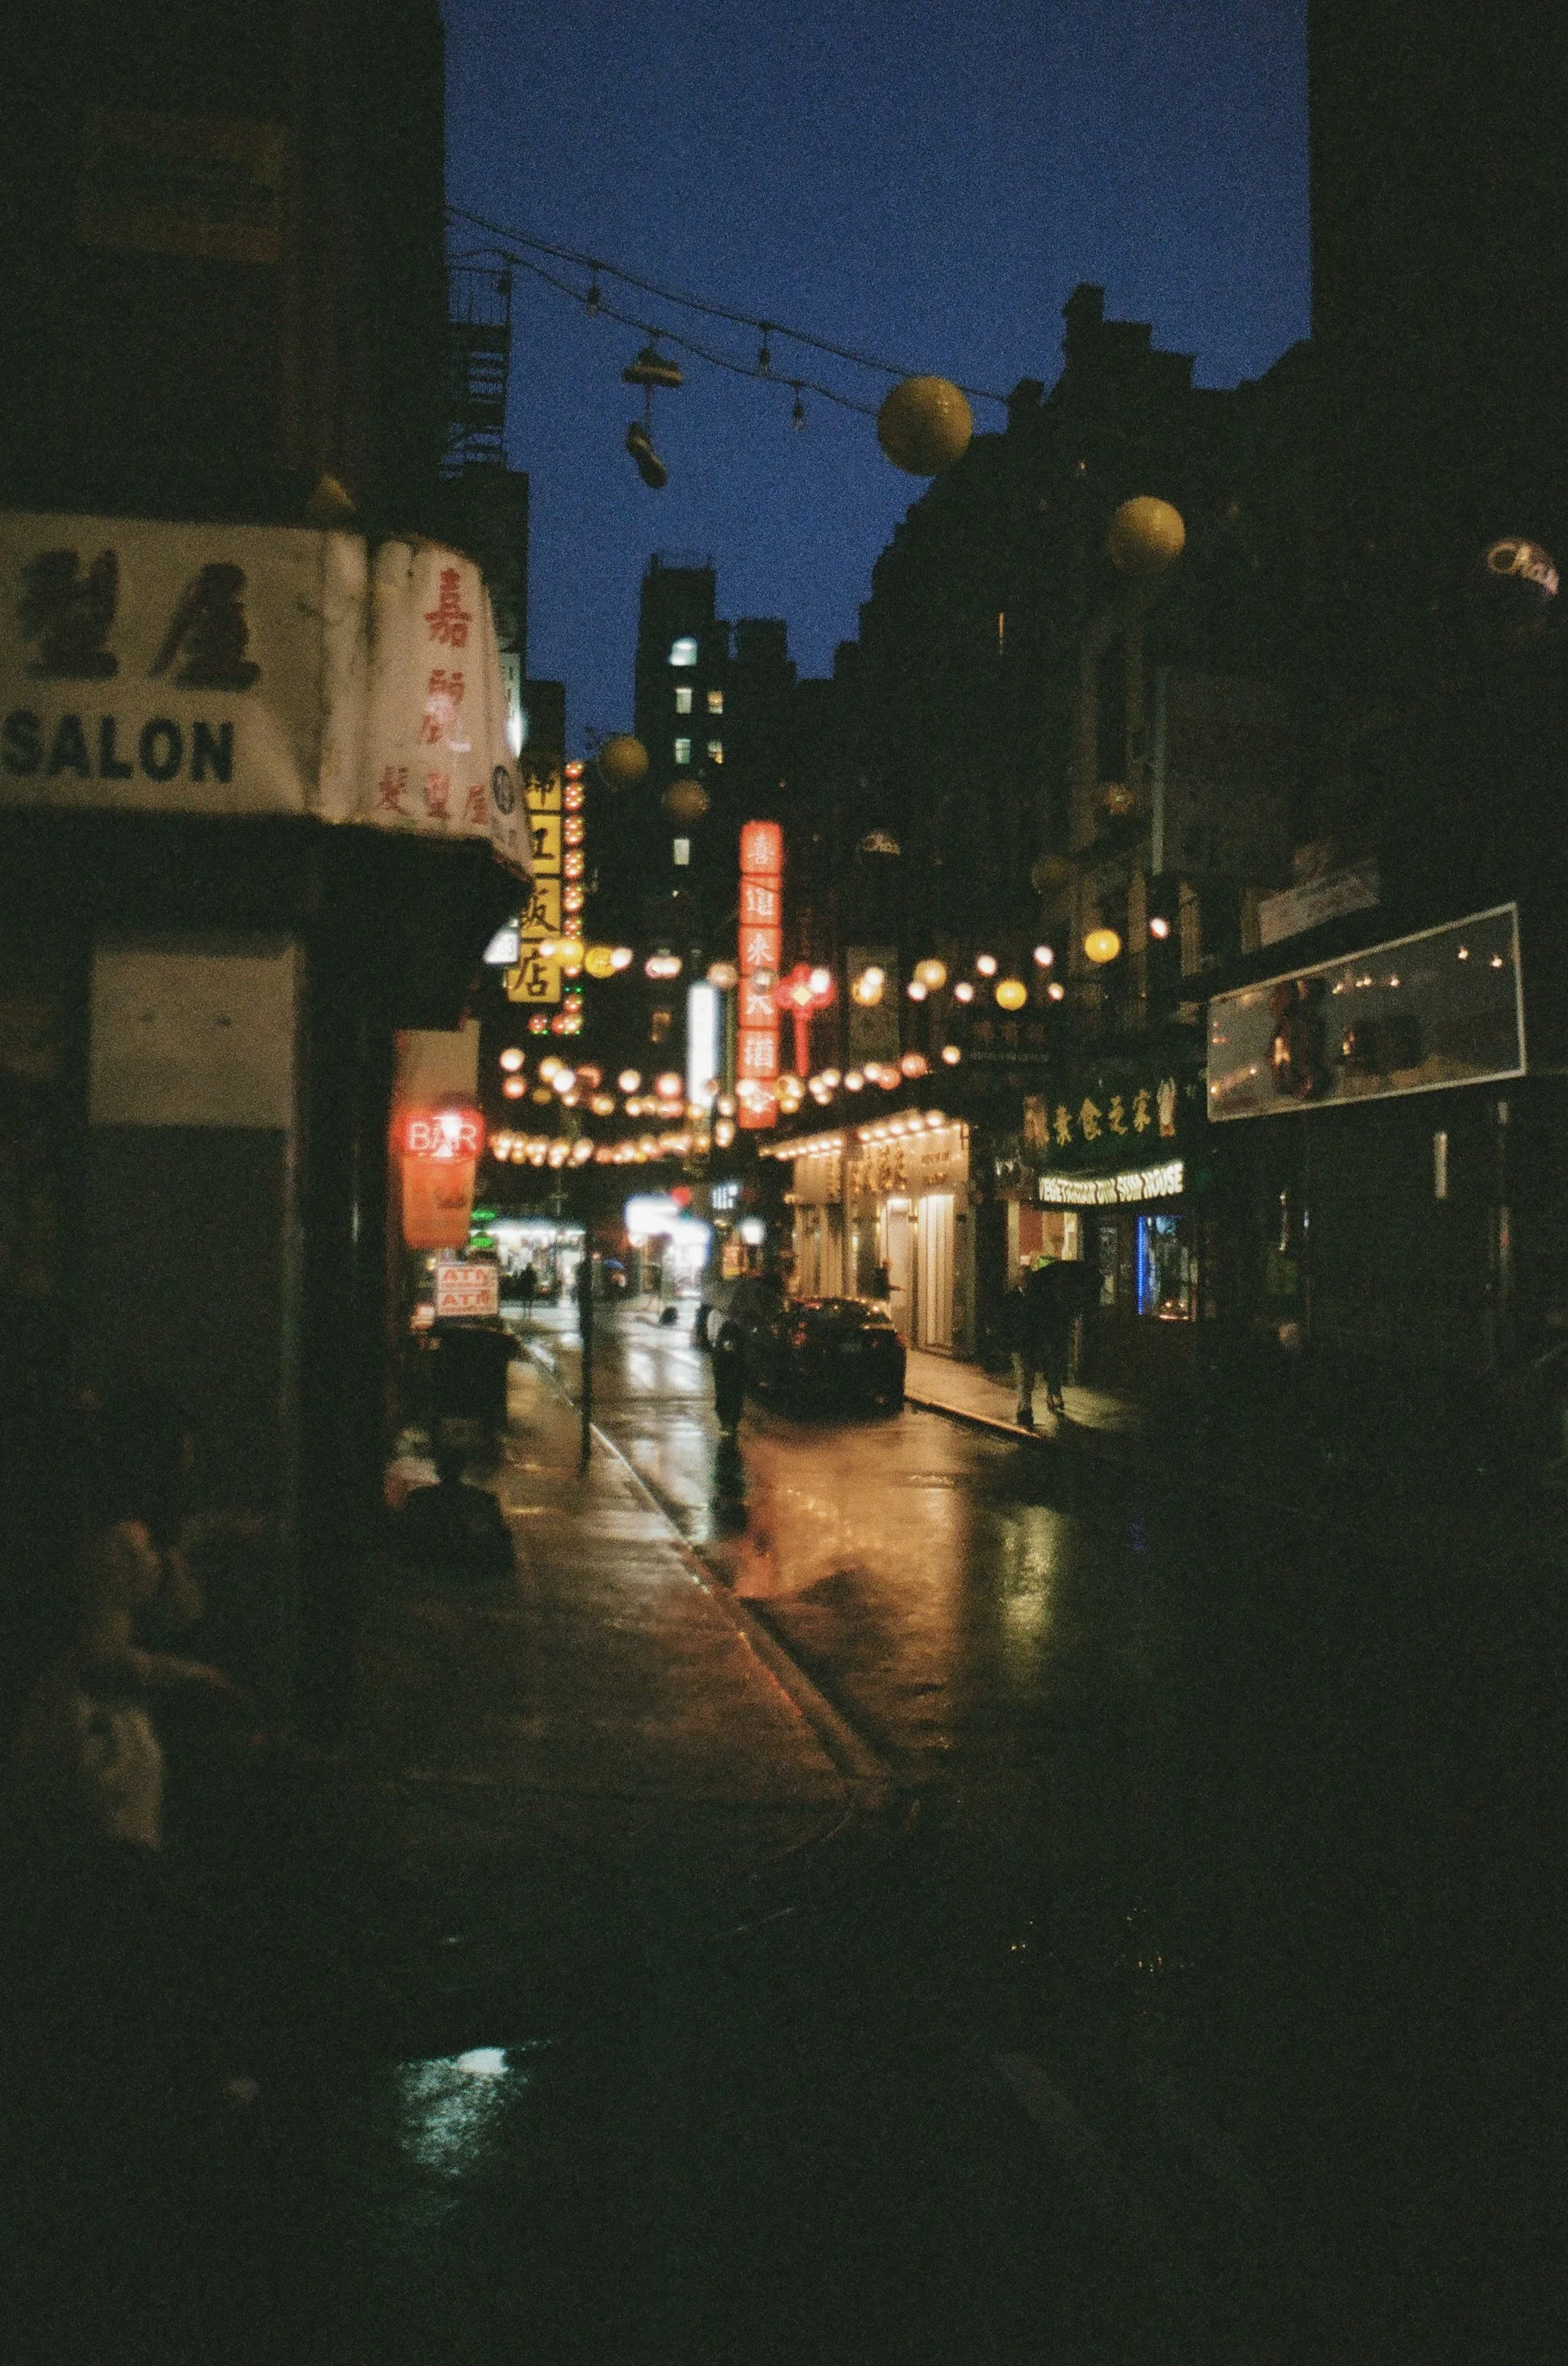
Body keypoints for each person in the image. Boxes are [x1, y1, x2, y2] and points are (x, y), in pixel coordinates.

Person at [1015, 1254, 1095, 1427]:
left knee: (1030, 1375)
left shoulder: (1044, 1298)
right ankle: (1027, 1407)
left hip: (1036, 1341)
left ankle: (1029, 1405)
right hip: (1025, 1342)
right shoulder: (1033, 1297)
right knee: (1026, 1376)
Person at [712, 1317, 747, 1434]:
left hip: (726, 1375)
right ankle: (730, 1424)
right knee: (733, 1400)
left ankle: (727, 1424)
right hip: (734, 1375)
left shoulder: (724, 1338)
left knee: (726, 1399)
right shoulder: (738, 1336)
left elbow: (718, 1358)